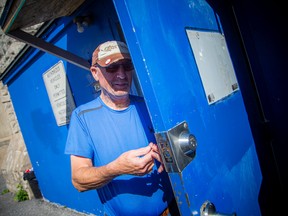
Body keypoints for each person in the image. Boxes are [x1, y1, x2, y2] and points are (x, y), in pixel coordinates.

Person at [65, 40, 178, 216]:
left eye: (127, 66)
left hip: (170, 209)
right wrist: (117, 168)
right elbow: (79, 181)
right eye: (112, 68)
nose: (122, 75)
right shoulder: (82, 117)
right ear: (95, 72)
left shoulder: (148, 105)